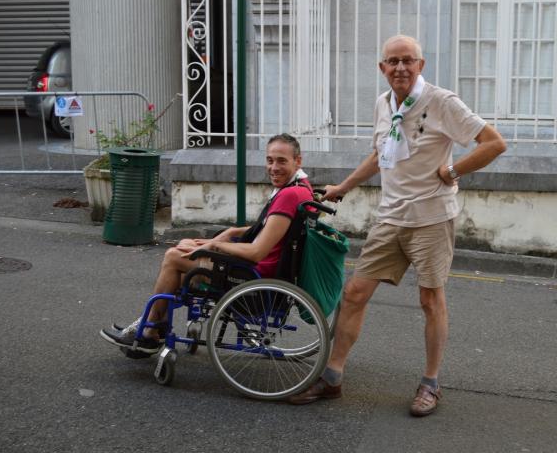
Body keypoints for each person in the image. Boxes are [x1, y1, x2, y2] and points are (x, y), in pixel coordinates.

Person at [288, 35, 507, 417]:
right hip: (390, 217)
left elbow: (493, 143)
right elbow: (380, 153)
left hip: (431, 218)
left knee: (430, 300)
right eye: (393, 61)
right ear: (382, 68)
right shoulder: (383, 104)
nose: (401, 67)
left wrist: (452, 171)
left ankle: (430, 384)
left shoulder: (442, 101)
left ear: (421, 65)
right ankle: (332, 377)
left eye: (408, 60)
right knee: (354, 293)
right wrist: (344, 187)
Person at [100, 133, 314, 353]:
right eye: (270, 160)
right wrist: (230, 232)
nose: (274, 167)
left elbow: (257, 252)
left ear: (297, 161)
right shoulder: (302, 188)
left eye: (281, 161)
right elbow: (270, 228)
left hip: (252, 275)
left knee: (174, 257)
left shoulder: (288, 195)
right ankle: (154, 323)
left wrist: (214, 245)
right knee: (186, 243)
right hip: (260, 269)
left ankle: (150, 329)